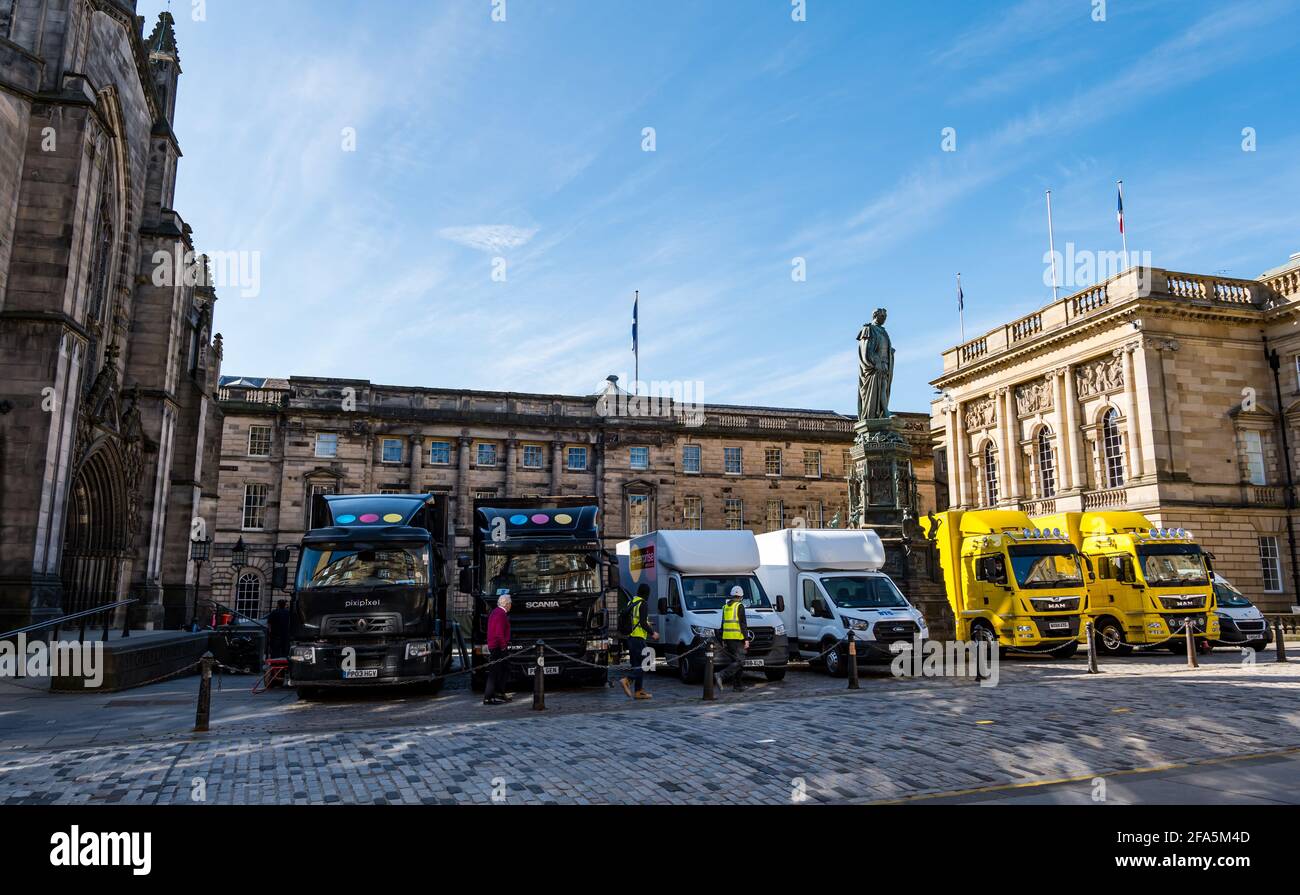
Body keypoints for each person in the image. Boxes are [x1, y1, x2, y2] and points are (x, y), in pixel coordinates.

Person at [620, 584, 658, 700]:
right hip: (638, 638)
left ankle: (638, 691)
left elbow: (635, 620)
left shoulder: (631, 602)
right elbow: (642, 622)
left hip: (630, 638)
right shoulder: (643, 603)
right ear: (647, 593)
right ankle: (627, 680)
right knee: (648, 662)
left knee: (637, 665)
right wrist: (653, 633)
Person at [716, 585, 751, 692]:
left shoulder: (725, 607)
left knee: (735, 661)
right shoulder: (739, 606)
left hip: (728, 639)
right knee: (740, 661)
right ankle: (721, 675)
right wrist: (746, 639)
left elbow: (723, 624)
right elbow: (743, 624)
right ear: (741, 596)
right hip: (737, 638)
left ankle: (738, 685)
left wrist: (722, 639)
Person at [483, 594, 513, 705]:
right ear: (506, 604)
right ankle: (489, 697)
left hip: (495, 646)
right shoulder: (501, 614)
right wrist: (504, 646)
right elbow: (499, 633)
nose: (511, 605)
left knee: (503, 668)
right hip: (498, 647)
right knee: (494, 672)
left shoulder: (496, 612)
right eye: (510, 603)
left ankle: (499, 692)